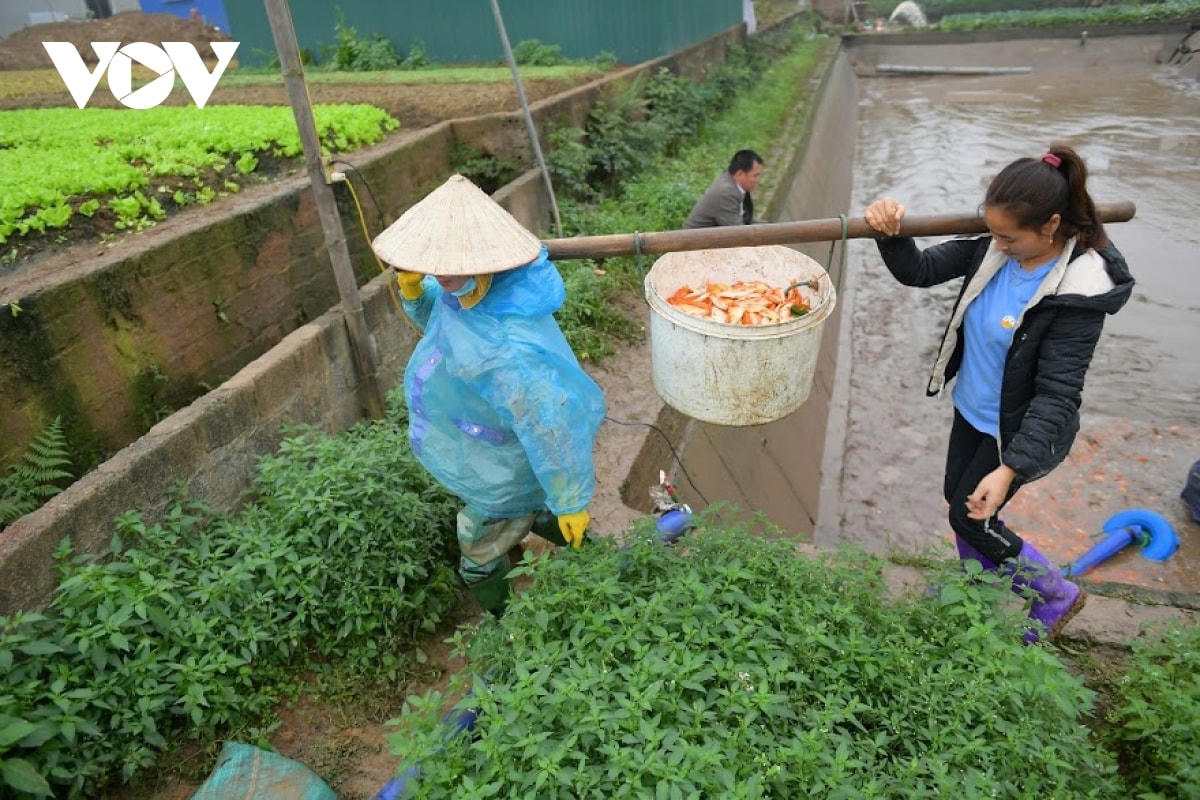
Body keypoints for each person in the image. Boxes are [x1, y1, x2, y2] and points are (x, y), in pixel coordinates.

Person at [863, 144, 1134, 643]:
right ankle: (977, 583)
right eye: (993, 232)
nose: (998, 244)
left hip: (1015, 426)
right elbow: (918, 271)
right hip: (973, 407)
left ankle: (1055, 594)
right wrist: (889, 227)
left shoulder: (1076, 294)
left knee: (969, 517)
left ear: (1050, 227)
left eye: (1009, 237)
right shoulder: (993, 248)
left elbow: (1057, 394)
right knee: (959, 499)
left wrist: (1010, 469)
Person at [371, 174, 606, 617]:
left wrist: (573, 498)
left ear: (479, 262)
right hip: (490, 439)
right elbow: (446, 332)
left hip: (505, 462)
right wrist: (413, 292)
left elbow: (549, 424)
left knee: (479, 552)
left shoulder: (509, 347)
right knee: (538, 510)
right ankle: (594, 554)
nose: (437, 274)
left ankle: (504, 625)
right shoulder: (472, 290)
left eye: (443, 266)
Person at [684, 149, 763, 229]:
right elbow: (739, 233)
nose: (758, 180)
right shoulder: (726, 193)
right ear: (740, 174)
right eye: (755, 176)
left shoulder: (733, 182)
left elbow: (747, 220)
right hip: (697, 240)